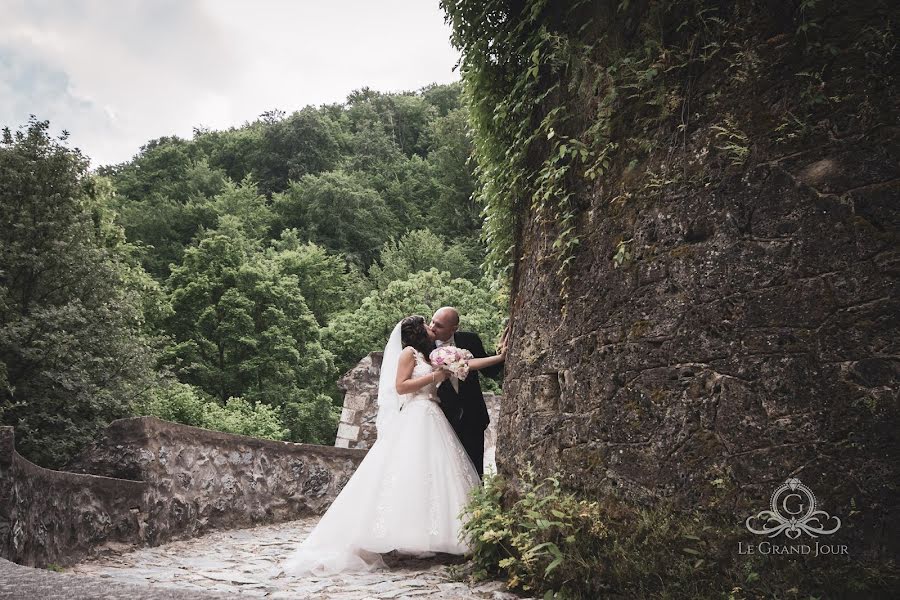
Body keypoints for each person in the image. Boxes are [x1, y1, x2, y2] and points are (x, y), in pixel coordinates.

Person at [281, 315, 505, 576]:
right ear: (416, 332)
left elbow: (469, 363)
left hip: (434, 416)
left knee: (434, 477)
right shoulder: (409, 354)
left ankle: (436, 535)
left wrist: (500, 358)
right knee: (403, 475)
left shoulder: (431, 355)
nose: (431, 327)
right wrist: (435, 376)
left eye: (435, 324)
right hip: (416, 415)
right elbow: (401, 387)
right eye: (426, 324)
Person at [430, 307, 505, 478]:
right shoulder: (423, 345)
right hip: (441, 419)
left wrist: (500, 353)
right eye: (432, 321)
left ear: (454, 328)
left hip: (473, 417)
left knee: (475, 470)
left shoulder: (469, 339)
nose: (432, 327)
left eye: (439, 325)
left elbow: (490, 372)